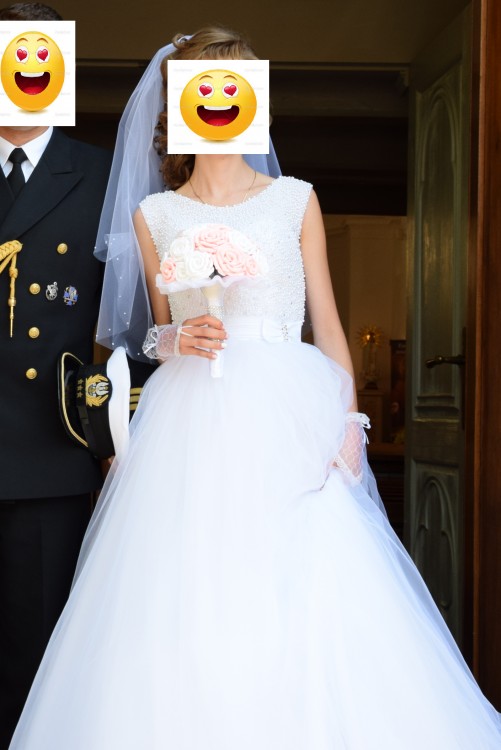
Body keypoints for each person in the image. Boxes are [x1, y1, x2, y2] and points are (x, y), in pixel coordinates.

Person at [9, 27, 501, 750]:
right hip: (187, 422)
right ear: (178, 109)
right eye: (203, 89)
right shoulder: (155, 215)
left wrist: (348, 425)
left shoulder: (295, 201)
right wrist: (175, 338)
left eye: (234, 86)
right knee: (186, 589)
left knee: (299, 586)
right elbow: (152, 334)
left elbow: (327, 326)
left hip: (286, 414)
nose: (219, 100)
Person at [0, 4, 113, 748]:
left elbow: (130, 327)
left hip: (49, 454)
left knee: (34, 656)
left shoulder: (101, 175)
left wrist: (113, 444)